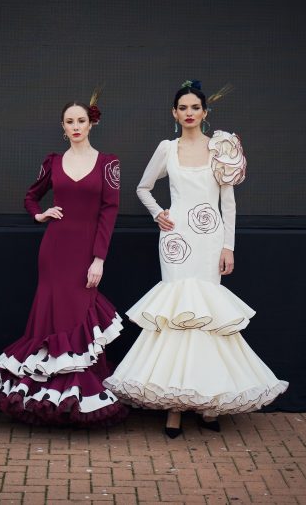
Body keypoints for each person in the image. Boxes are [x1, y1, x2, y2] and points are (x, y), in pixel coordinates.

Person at [104, 80, 288, 438]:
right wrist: (159, 213)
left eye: (195, 108)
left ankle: (207, 403)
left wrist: (228, 247)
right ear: (174, 114)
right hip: (176, 242)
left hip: (209, 241)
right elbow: (142, 188)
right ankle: (174, 405)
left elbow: (229, 204)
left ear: (205, 112)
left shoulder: (221, 148)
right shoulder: (166, 149)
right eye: (182, 108)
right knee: (176, 318)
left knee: (207, 319)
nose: (189, 113)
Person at [0, 91, 128, 426]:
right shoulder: (53, 163)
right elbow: (31, 197)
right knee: (51, 319)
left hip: (85, 254)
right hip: (54, 250)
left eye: (81, 121)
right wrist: (40, 215)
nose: (76, 126)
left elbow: (110, 211)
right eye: (70, 121)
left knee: (79, 319)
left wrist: (99, 259)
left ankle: (80, 399)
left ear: (91, 124)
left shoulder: (108, 163)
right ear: (63, 127)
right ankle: (46, 399)